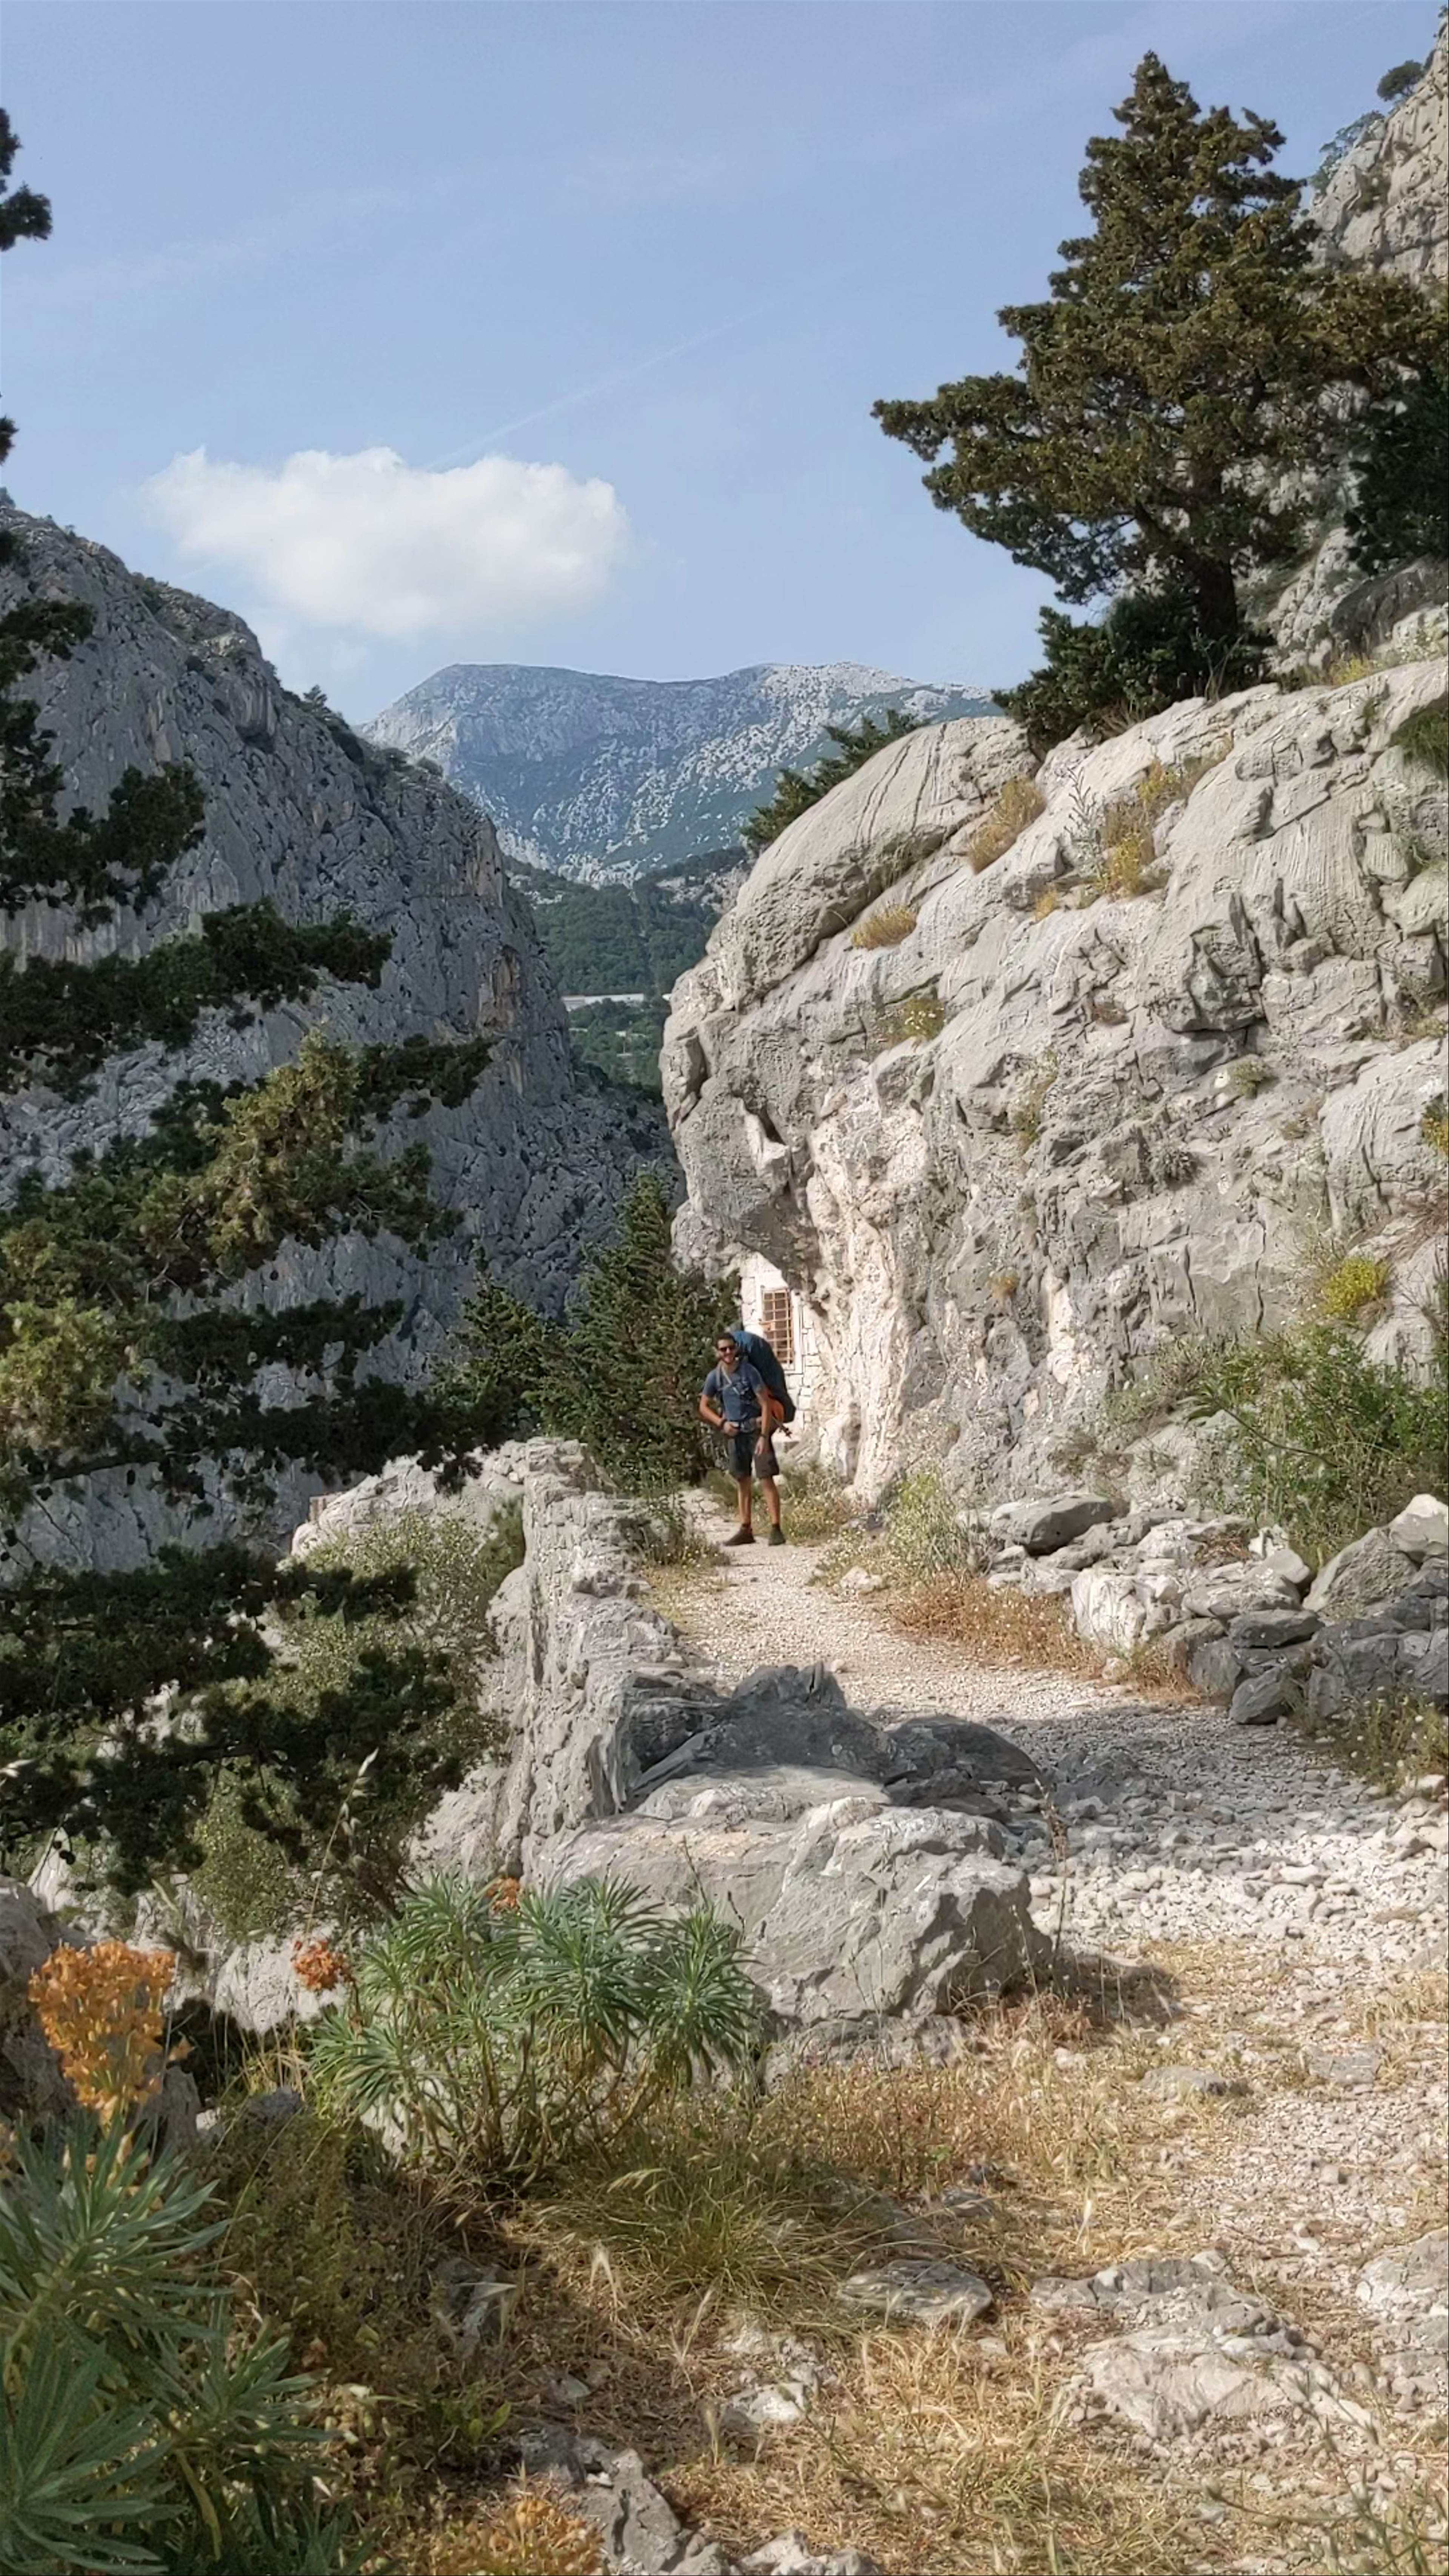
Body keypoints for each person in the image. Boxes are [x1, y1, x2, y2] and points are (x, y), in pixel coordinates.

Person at [699, 1332, 786, 1546]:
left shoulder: (750, 1372)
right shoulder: (715, 1377)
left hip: (755, 1431)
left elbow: (765, 1404)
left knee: (766, 1478)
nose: (728, 1353)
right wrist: (721, 1424)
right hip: (735, 1435)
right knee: (742, 1480)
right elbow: (703, 1406)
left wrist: (764, 1437)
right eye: (723, 1349)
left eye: (731, 1348)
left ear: (736, 1348)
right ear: (717, 1352)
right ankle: (746, 1529)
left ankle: (776, 1528)